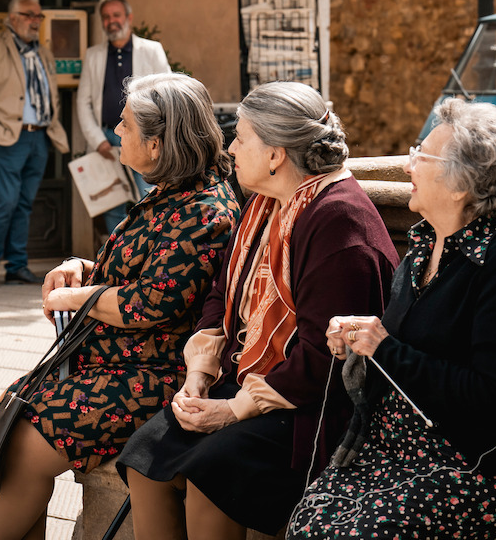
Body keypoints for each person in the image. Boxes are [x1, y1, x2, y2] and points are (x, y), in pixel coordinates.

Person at [117, 81, 397, 540]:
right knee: (145, 456)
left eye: (241, 137)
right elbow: (222, 293)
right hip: (250, 379)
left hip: (314, 409)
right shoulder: (266, 201)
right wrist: (199, 374)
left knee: (215, 473)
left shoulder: (338, 222)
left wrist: (233, 411)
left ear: (275, 155)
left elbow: (324, 361)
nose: (229, 148)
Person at [287, 98, 496, 540]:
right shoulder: (424, 248)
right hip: (409, 446)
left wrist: (386, 349)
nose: (408, 164)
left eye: (422, 155)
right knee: (309, 518)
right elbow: (410, 346)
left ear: (461, 185)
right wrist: (363, 340)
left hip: (490, 458)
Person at [0, 72, 239, 540]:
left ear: (157, 144)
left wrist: (76, 298)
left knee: (20, 446)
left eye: (125, 124)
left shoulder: (206, 212)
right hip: (114, 363)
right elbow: (135, 267)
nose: (116, 131)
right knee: (9, 410)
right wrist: (80, 266)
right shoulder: (170, 192)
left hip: (156, 377)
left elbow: (150, 303)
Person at [0, 0, 69, 288]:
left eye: (38, 16)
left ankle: (17, 266)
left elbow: (51, 95)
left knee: (24, 204)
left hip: (39, 137)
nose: (35, 21)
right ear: (12, 18)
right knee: (6, 202)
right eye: (29, 15)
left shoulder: (43, 52)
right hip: (8, 138)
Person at [75, 0, 170, 233]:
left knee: (148, 197)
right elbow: (83, 102)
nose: (111, 21)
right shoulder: (94, 55)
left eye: (116, 15)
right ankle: (115, 260)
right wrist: (97, 141)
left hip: (143, 138)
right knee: (112, 204)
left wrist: (155, 135)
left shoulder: (151, 50)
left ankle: (149, 252)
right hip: (106, 140)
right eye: (106, 17)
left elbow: (168, 93)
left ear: (128, 18)